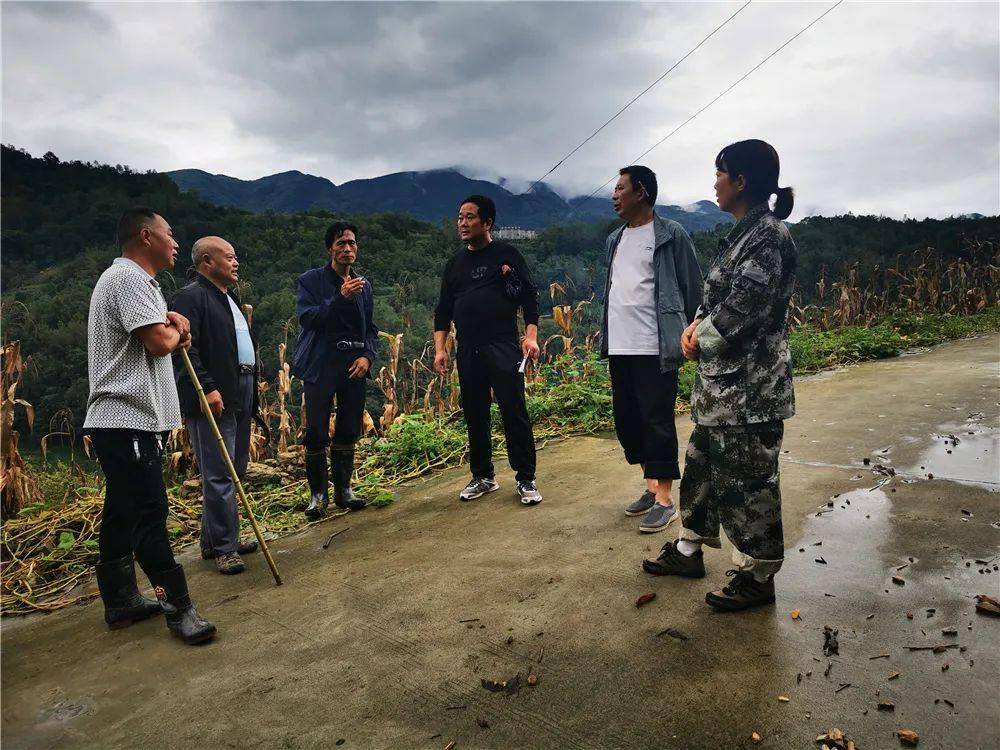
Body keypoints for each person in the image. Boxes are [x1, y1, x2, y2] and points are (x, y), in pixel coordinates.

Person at [643, 139, 797, 612]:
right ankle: (690, 549)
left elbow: (743, 307)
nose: (714, 181)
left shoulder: (768, 236)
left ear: (741, 182)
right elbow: (714, 301)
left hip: (749, 391)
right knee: (704, 471)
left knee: (750, 483)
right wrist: (694, 327)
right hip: (721, 390)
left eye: (719, 172)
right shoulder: (742, 234)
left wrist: (696, 339)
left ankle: (758, 575)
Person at [83, 207, 215, 644]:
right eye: (169, 233)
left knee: (122, 511)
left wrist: (175, 325)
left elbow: (164, 337)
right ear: (146, 236)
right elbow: (160, 343)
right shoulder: (129, 279)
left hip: (124, 422)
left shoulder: (137, 283)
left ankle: (121, 602)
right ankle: (179, 610)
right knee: (149, 513)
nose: (176, 242)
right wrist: (176, 328)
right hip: (127, 419)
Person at [601, 166, 703, 533]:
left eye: (620, 188)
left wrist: (693, 332)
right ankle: (649, 486)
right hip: (620, 345)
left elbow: (694, 288)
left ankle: (664, 501)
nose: (614, 194)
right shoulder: (615, 239)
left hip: (654, 346)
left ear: (640, 192)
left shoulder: (670, 234)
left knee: (656, 420)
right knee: (628, 421)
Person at [433, 195, 542, 506]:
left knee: (513, 411)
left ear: (487, 223)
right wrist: (441, 350)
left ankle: (525, 478)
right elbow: (443, 311)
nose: (462, 223)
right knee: (475, 413)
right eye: (460, 217)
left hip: (503, 345)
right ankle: (483, 476)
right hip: (468, 349)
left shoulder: (506, 254)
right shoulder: (454, 264)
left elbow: (529, 298)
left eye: (469, 217)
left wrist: (531, 336)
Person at [171, 236, 262, 575]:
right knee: (219, 472)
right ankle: (226, 548)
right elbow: (184, 349)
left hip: (242, 388)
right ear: (207, 262)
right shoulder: (190, 297)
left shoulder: (229, 298)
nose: (236, 262)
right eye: (230, 256)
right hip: (216, 393)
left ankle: (213, 540)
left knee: (234, 469)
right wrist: (207, 388)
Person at [292, 221, 377, 518]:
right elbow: (309, 319)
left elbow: (371, 329)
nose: (347, 249)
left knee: (349, 426)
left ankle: (344, 490)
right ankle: (317, 495)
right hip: (321, 363)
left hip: (354, 364)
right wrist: (340, 298)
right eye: (341, 244)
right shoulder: (311, 281)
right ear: (330, 248)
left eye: (352, 243)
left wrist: (367, 356)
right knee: (316, 429)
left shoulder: (364, 287)